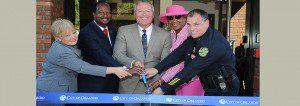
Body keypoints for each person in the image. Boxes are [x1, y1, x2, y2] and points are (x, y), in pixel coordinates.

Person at [36, 18, 131, 106]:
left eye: (74, 32)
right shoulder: (62, 52)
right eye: (67, 35)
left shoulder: (68, 45)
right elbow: (83, 67)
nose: (73, 37)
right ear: (58, 38)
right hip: (51, 92)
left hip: (65, 90)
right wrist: (114, 70)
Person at [145, 9, 240, 96]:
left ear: (206, 23)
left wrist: (163, 89)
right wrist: (156, 69)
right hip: (210, 85)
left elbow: (189, 71)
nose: (192, 28)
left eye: (196, 24)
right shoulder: (195, 37)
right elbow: (177, 54)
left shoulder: (212, 44)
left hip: (224, 88)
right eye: (189, 24)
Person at [113, 1, 171, 106]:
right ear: (135, 14)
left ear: (153, 15)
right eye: (140, 11)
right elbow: (118, 54)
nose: (144, 14)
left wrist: (158, 83)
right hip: (129, 85)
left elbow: (166, 61)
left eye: (147, 11)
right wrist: (133, 62)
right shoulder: (123, 31)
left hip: (154, 84)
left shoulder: (165, 35)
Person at [156, 5, 205, 102]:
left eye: (178, 16)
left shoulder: (191, 33)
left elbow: (181, 62)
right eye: (170, 18)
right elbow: (171, 58)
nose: (174, 20)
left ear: (184, 18)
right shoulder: (172, 33)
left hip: (192, 80)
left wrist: (161, 80)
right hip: (177, 81)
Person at [76, 2, 124, 96]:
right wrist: (125, 69)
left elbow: (116, 53)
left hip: (111, 84)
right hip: (93, 85)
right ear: (94, 14)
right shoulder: (86, 32)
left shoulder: (113, 30)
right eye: (101, 12)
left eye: (108, 12)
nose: (105, 15)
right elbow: (101, 56)